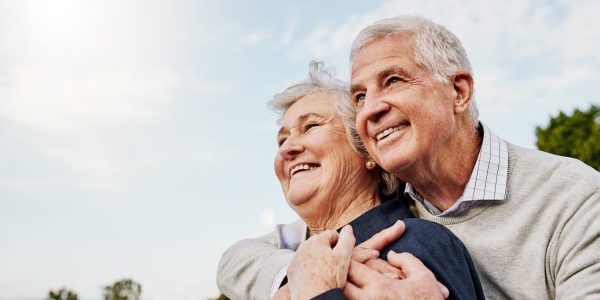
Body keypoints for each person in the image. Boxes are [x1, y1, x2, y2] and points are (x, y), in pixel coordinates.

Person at [218, 16, 600, 299]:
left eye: (394, 80)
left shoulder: (577, 201)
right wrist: (299, 276)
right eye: (360, 97)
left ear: (459, 91)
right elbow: (236, 259)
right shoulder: (382, 216)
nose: (371, 110)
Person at [217, 61, 484, 299]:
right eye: (282, 139)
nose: (287, 149)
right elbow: (232, 261)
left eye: (310, 126)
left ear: (367, 150)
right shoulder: (295, 254)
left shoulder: (415, 244)